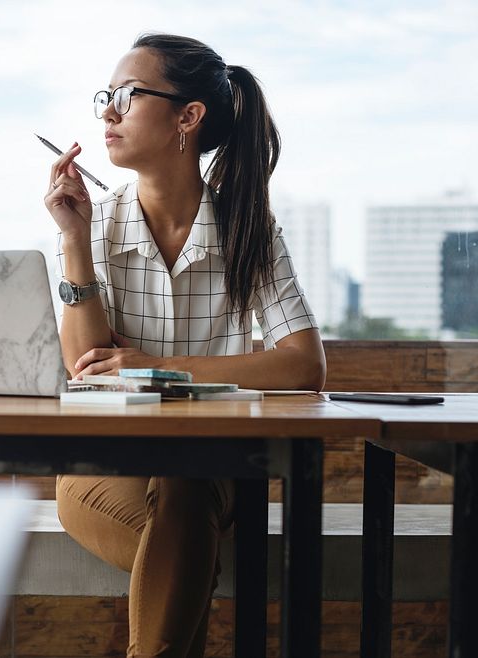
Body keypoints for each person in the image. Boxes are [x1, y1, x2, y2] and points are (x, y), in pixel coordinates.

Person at [44, 33, 327, 657]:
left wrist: (157, 367)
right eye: (106, 97)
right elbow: (84, 366)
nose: (107, 113)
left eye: (127, 95)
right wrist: (71, 244)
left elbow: (305, 364)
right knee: (182, 543)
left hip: (213, 471)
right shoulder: (93, 225)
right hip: (101, 465)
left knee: (186, 485)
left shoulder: (247, 226)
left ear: (188, 116)